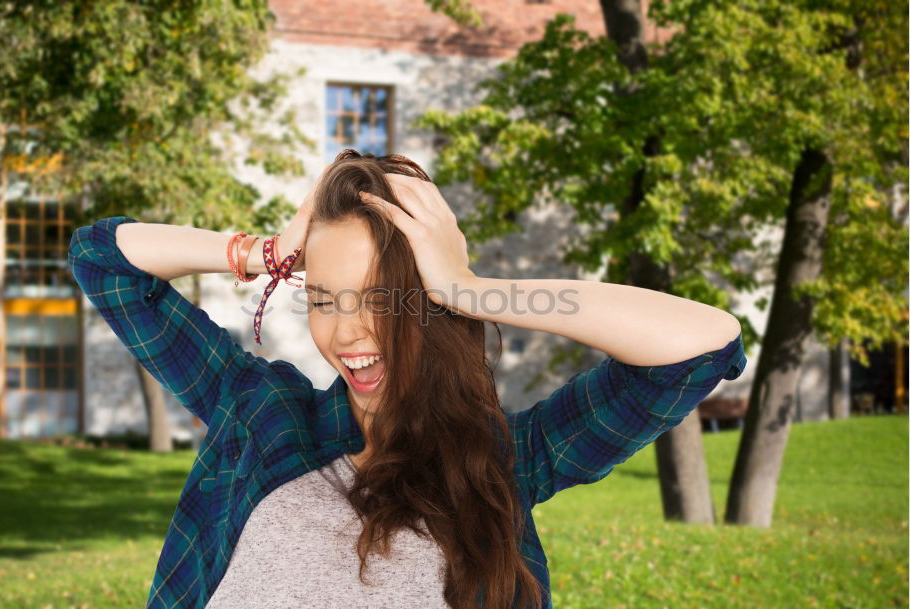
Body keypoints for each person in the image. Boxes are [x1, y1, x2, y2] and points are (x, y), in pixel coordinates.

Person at [67, 150, 747, 609]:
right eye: (327, 298)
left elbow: (700, 346)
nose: (349, 332)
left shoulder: (502, 462)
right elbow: (102, 259)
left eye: (382, 297)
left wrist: (471, 287)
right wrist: (264, 252)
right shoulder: (263, 414)